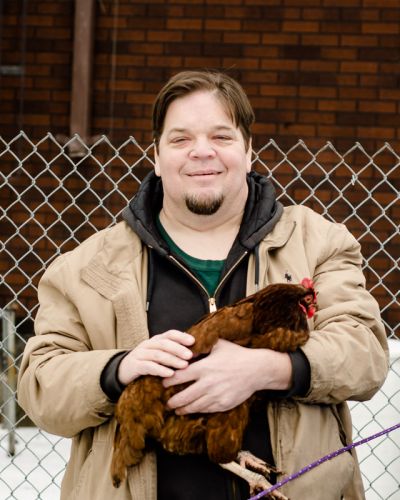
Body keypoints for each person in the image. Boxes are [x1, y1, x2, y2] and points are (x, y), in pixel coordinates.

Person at [17, 70, 388, 500]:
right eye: (180, 139)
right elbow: (40, 386)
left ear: (249, 151)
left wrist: (269, 369)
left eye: (221, 136)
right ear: (156, 155)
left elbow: (366, 353)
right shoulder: (86, 268)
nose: (201, 152)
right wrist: (117, 369)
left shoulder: (318, 241)